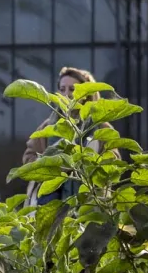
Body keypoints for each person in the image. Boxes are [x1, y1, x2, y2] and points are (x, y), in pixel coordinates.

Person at [23, 67, 114, 208]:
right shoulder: (49, 125)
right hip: (49, 204)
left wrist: (89, 165)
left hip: (90, 202)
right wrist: (49, 167)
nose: (67, 94)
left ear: (86, 94)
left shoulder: (100, 126)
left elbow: (113, 159)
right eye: (62, 89)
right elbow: (29, 157)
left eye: (72, 89)